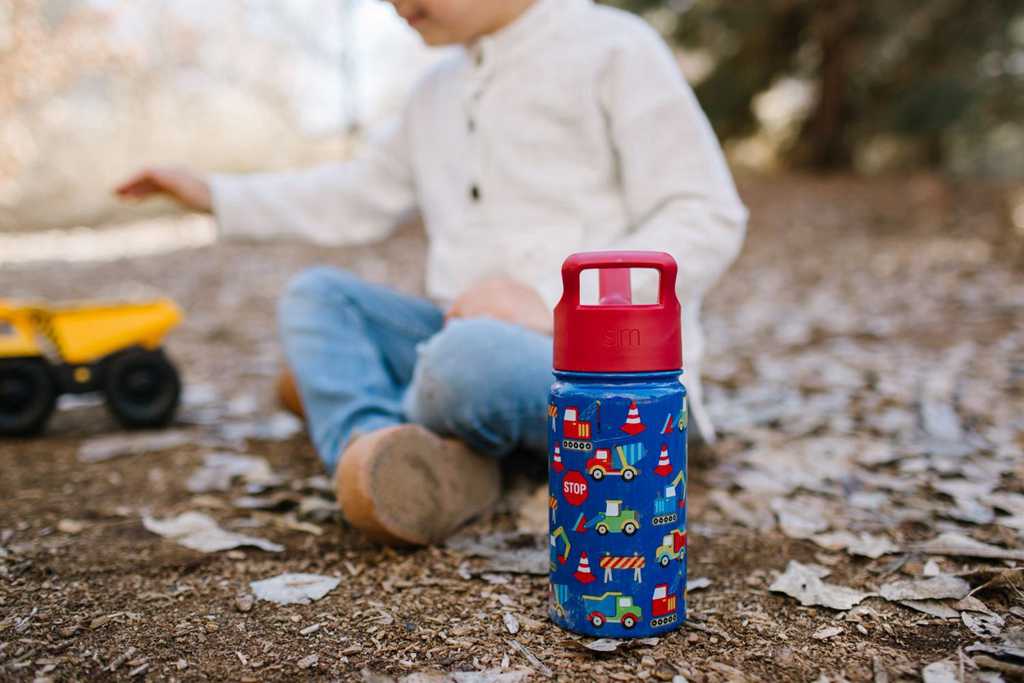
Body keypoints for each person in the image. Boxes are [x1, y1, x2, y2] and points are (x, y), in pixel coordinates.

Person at [116, 0, 748, 546]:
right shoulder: (434, 94)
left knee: (465, 361)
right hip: (462, 337)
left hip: (620, 386)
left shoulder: (614, 48)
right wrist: (215, 195)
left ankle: (381, 408)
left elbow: (706, 213)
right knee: (318, 298)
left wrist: (560, 307)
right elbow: (353, 194)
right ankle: (388, 455)